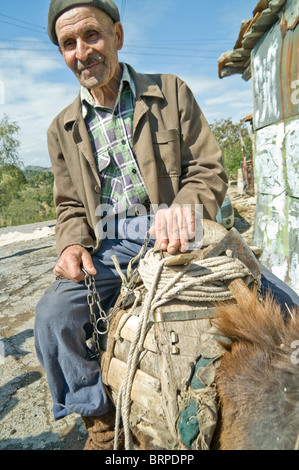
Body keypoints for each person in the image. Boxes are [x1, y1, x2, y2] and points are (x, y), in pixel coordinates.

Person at [35, 0, 298, 451]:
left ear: (117, 36)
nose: (83, 51)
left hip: (182, 228)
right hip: (111, 243)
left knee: (286, 305)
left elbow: (209, 168)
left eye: (92, 36)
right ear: (62, 52)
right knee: (51, 319)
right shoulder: (62, 128)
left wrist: (186, 206)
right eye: (69, 43)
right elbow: (70, 206)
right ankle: (99, 422)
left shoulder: (170, 92)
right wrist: (71, 246)